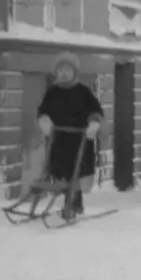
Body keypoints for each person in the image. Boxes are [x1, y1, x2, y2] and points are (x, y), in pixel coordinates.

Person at [37, 52, 103, 217]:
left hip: (79, 139)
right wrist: (44, 120)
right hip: (58, 140)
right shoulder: (52, 92)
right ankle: (71, 203)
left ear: (74, 72)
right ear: (56, 72)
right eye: (61, 69)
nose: (64, 73)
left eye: (67, 69)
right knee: (61, 173)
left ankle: (74, 205)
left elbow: (95, 110)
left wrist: (94, 123)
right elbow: (43, 110)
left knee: (76, 172)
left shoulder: (83, 91)